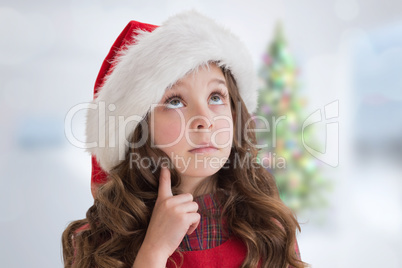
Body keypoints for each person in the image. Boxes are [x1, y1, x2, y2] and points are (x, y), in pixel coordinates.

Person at [62, 10, 306, 268]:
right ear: (138, 129)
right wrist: (154, 250)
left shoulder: (269, 228)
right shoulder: (97, 242)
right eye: (175, 101)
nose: (204, 119)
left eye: (215, 97)